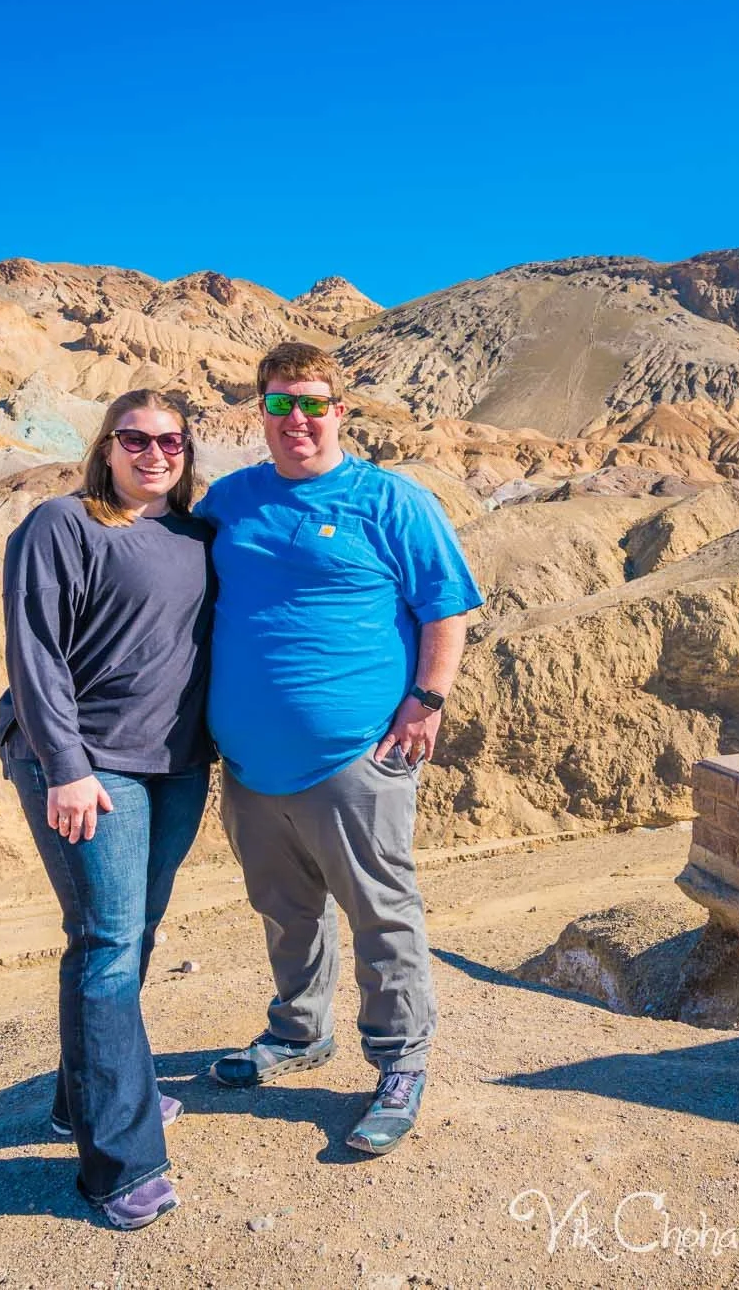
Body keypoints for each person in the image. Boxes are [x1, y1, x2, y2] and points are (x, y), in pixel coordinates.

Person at [199, 341, 481, 1156]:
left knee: (381, 913)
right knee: (285, 912)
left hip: (356, 759)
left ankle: (400, 1063)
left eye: (313, 402)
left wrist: (427, 702)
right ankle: (299, 1030)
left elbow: (446, 609)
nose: (298, 419)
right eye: (280, 403)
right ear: (261, 412)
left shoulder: (391, 500)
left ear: (339, 410)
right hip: (250, 769)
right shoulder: (229, 502)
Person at [0, 388, 214, 1230]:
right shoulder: (63, 523)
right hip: (87, 766)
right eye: (135, 438)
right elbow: (34, 650)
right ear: (107, 447)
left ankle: (79, 1100)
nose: (154, 453)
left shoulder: (197, 535)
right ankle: (120, 1165)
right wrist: (66, 766)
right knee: (107, 943)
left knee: (135, 932)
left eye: (171, 440)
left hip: (175, 767)